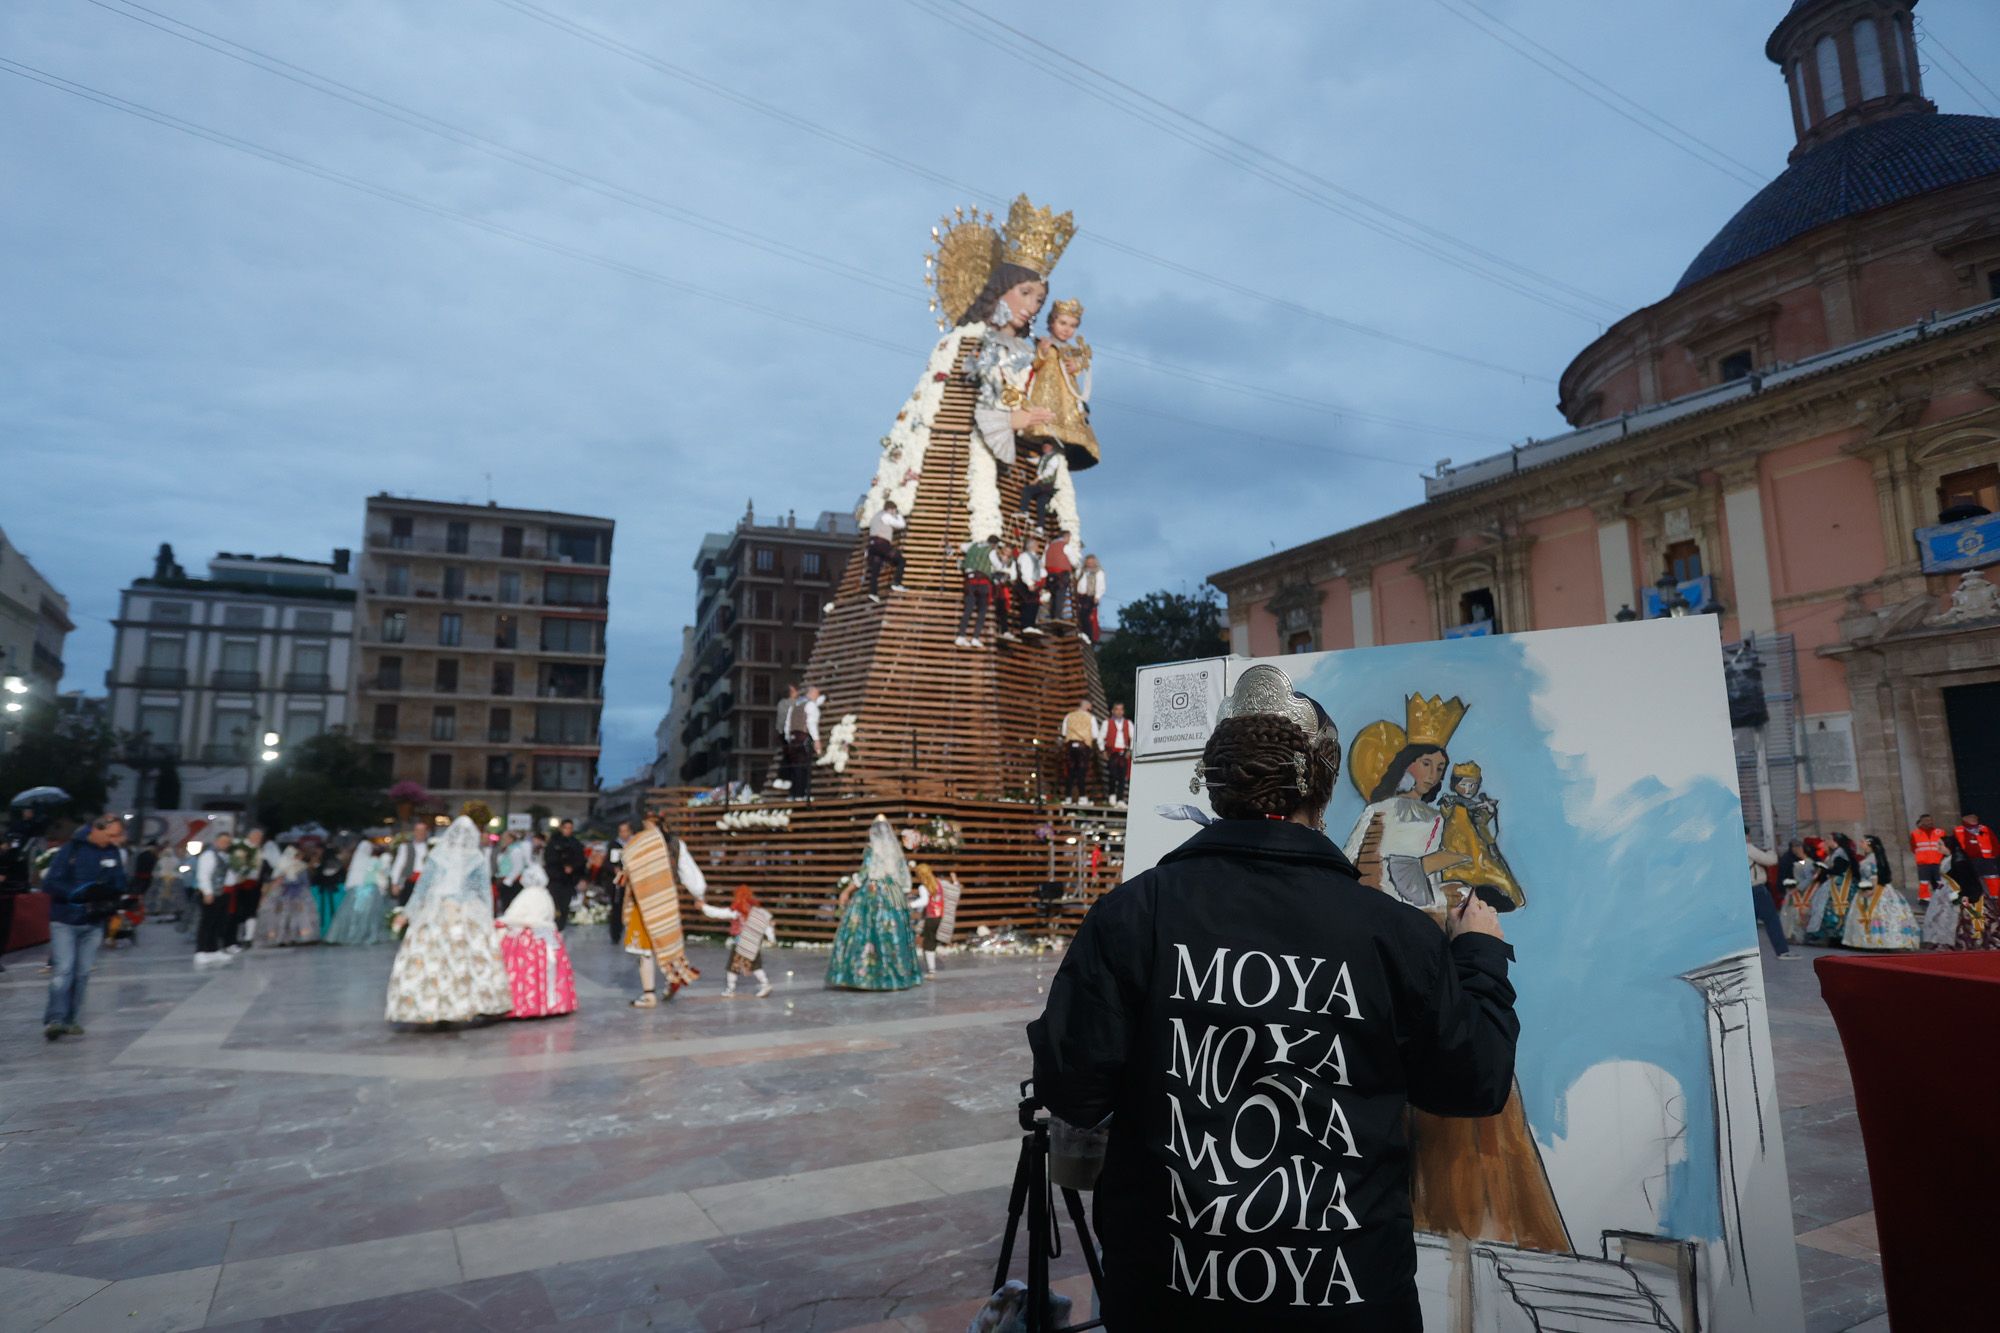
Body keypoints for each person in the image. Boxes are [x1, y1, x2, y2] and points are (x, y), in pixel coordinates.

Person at [1026, 664, 1518, 1329]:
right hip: (1349, 1303)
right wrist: (1480, 954)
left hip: (1168, 1294)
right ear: (1321, 791)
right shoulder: (1393, 935)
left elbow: (1073, 1090)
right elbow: (1476, 1079)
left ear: (1217, 783)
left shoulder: (1131, 915)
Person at [385, 816, 513, 1026]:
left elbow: (422, 889)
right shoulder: (475, 857)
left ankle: (433, 1005)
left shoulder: (440, 855)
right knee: (467, 957)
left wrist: (407, 913)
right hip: (463, 910)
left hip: (439, 909)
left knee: (434, 958)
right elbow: (483, 893)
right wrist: (487, 918)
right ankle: (466, 1003)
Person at [37, 814, 129, 1041]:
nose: (116, 839)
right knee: (64, 969)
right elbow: (50, 883)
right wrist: (78, 894)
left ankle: (70, 1020)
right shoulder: (71, 850)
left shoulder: (112, 852)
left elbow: (119, 881)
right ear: (96, 830)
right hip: (65, 921)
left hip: (94, 921)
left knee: (82, 973)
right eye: (111, 835)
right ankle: (56, 1020)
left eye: (118, 835)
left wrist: (115, 893)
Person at [826, 816, 923, 991]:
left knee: (865, 931)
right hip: (893, 892)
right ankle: (896, 974)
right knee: (894, 932)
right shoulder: (895, 850)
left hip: (872, 892)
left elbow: (864, 874)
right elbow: (903, 878)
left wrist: (847, 891)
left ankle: (866, 976)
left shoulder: (872, 849)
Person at [622, 816, 707, 1006]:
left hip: (642, 902)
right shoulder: (674, 844)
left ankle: (649, 994)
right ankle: (673, 978)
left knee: (644, 950)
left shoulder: (638, 845)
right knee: (668, 941)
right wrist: (699, 894)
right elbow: (688, 870)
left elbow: (626, 871)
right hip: (665, 901)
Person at [1020, 297, 1098, 471]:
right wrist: (1042, 353)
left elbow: (1080, 365)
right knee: (1047, 422)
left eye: (1072, 325)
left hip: (1068, 394)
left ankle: (1057, 454)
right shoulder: (1043, 343)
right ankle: (1044, 453)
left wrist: (1076, 366)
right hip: (1046, 390)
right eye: (1063, 323)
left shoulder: (1072, 350)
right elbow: (1034, 365)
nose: (1067, 329)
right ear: (1051, 322)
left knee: (1066, 422)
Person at [495, 861, 578, 1020]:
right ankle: (551, 1003)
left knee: (524, 972)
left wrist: (502, 922)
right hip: (546, 939)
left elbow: (514, 916)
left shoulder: (525, 895)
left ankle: (525, 1004)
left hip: (527, 939)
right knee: (548, 971)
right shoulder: (545, 895)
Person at [1841, 835, 1919, 951]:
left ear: (1870, 844)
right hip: (1866, 888)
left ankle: (1880, 941)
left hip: (1876, 889)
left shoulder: (1874, 858)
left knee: (1879, 915)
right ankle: (1868, 941)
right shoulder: (1869, 857)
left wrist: (1872, 890)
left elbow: (1875, 875)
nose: (1861, 844)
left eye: (1863, 842)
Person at [699, 885, 777, 998]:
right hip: (753, 942)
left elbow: (719, 913)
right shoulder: (757, 911)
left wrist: (703, 907)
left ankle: (731, 989)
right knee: (754, 965)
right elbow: (768, 926)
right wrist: (771, 939)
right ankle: (764, 983)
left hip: (741, 942)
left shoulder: (737, 911)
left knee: (733, 966)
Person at [325, 840, 393, 946]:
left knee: (355, 914)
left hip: (355, 892)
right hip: (370, 890)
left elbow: (352, 879)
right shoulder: (374, 861)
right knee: (370, 915)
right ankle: (369, 935)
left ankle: (351, 935)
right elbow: (384, 872)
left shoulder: (356, 862)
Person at [1746, 831, 1796, 960]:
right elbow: (1771, 860)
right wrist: (1770, 851)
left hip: (1744, 890)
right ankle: (1782, 951)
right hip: (1757, 889)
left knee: (1748, 924)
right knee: (1772, 919)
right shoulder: (1747, 847)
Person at [259, 842, 321, 946]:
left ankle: (299, 937)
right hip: (283, 894)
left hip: (299, 894)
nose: (299, 858)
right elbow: (276, 880)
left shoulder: (301, 867)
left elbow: (305, 882)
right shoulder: (282, 866)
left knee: (300, 916)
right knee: (282, 916)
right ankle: (281, 938)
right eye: (297, 855)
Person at [192, 829, 238, 966]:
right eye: (223, 841)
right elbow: (203, 875)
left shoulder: (226, 856)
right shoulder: (208, 855)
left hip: (223, 893)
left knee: (218, 922)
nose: (225, 844)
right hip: (211, 893)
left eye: (227, 842)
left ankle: (213, 950)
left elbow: (228, 875)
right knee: (207, 922)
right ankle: (200, 951)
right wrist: (207, 892)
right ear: (216, 841)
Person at [954, 533, 1000, 648]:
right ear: (994, 544)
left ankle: (961, 636)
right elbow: (998, 566)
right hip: (982, 583)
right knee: (982, 611)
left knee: (968, 610)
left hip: (969, 581)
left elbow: (962, 546)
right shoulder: (991, 551)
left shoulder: (972, 545)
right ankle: (975, 638)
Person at [544, 818, 588, 929]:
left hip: (569, 880)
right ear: (561, 828)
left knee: (564, 906)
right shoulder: (553, 843)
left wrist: (573, 868)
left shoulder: (576, 843)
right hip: (555, 879)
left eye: (570, 828)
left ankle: (560, 927)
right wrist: (562, 866)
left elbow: (581, 861)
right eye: (565, 828)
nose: (567, 830)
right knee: (553, 905)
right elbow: (549, 860)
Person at [864, 501, 908, 603]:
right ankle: (896, 583)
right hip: (881, 544)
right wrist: (898, 515)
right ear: (891, 509)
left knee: (876, 569)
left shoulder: (876, 516)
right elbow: (901, 525)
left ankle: (873, 593)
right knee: (901, 560)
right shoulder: (886, 516)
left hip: (872, 545)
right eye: (894, 510)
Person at [1018, 439, 1063, 529]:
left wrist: (1036, 479)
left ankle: (1024, 511)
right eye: (1043, 447)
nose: (1044, 448)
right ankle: (1040, 527)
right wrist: (1024, 457)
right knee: (1041, 504)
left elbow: (1049, 472)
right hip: (1045, 486)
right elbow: (1036, 461)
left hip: (1046, 485)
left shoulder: (1054, 458)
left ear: (1051, 447)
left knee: (1027, 490)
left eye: (1046, 447)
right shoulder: (1043, 458)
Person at [1952, 812, 1999, 897]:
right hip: (1971, 860)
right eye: (1971, 817)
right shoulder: (1959, 830)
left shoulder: (1984, 828)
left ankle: (1996, 898)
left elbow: (1994, 842)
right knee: (1974, 880)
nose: (1974, 819)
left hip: (1988, 860)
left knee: (1993, 878)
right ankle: (1980, 899)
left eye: (1975, 817)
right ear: (1964, 819)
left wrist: (1995, 855)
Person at [1059, 698, 1097, 803]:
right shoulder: (1091, 718)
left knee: (1070, 772)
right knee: (1081, 772)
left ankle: (1068, 797)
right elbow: (1094, 735)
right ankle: (1082, 797)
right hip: (1083, 747)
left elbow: (1064, 733)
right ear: (1086, 706)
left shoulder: (1069, 716)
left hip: (1070, 746)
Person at [605, 821, 634, 946]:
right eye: (621, 831)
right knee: (617, 909)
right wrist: (614, 869)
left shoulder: (634, 844)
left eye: (625, 831)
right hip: (618, 883)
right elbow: (608, 862)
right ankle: (615, 935)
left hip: (632, 882)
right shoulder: (614, 844)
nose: (623, 834)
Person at [1099, 701, 1133, 805]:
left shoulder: (1128, 723)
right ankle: (1112, 796)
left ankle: (1120, 799)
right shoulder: (1107, 723)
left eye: (1121, 709)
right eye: (1117, 709)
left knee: (1122, 777)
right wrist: (1102, 750)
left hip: (1124, 752)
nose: (1119, 712)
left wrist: (1130, 750)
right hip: (1112, 753)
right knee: (1112, 775)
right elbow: (1100, 738)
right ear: (1113, 711)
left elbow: (1133, 737)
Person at [1910, 814, 1948, 906]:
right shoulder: (1915, 833)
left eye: (1930, 820)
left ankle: (1942, 897)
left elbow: (1945, 845)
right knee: (1924, 881)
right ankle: (1924, 898)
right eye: (1926, 820)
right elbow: (1913, 847)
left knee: (1940, 881)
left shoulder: (1940, 832)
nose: (1929, 822)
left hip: (1938, 861)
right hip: (1923, 862)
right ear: (1921, 821)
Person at [311, 840, 347, 935]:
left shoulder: (326, 864)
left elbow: (319, 877)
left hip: (327, 894)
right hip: (333, 893)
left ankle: (329, 934)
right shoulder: (336, 863)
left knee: (329, 914)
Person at [1013, 537, 1045, 637]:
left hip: (1035, 583)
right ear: (1031, 546)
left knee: (1034, 604)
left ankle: (1031, 625)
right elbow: (1025, 570)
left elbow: (1041, 570)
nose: (1038, 547)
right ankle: (1026, 625)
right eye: (1036, 545)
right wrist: (1029, 583)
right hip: (1026, 583)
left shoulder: (1035, 558)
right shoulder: (1025, 556)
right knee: (1028, 603)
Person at [1043, 530, 1077, 624]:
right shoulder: (1065, 546)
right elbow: (1074, 561)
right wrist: (1076, 567)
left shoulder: (1049, 546)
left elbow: (1044, 560)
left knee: (1053, 595)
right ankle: (1058, 615)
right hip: (1062, 573)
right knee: (1060, 595)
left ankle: (1052, 614)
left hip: (1050, 573)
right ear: (1066, 537)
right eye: (1069, 537)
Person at [1074, 554, 1106, 645]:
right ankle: (1081, 633)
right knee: (1079, 615)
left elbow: (1101, 585)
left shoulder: (1099, 572)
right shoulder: (1082, 571)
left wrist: (1097, 596)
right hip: (1080, 596)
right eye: (1088, 562)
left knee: (1085, 614)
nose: (1090, 564)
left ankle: (1087, 635)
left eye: (1091, 562)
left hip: (1091, 596)